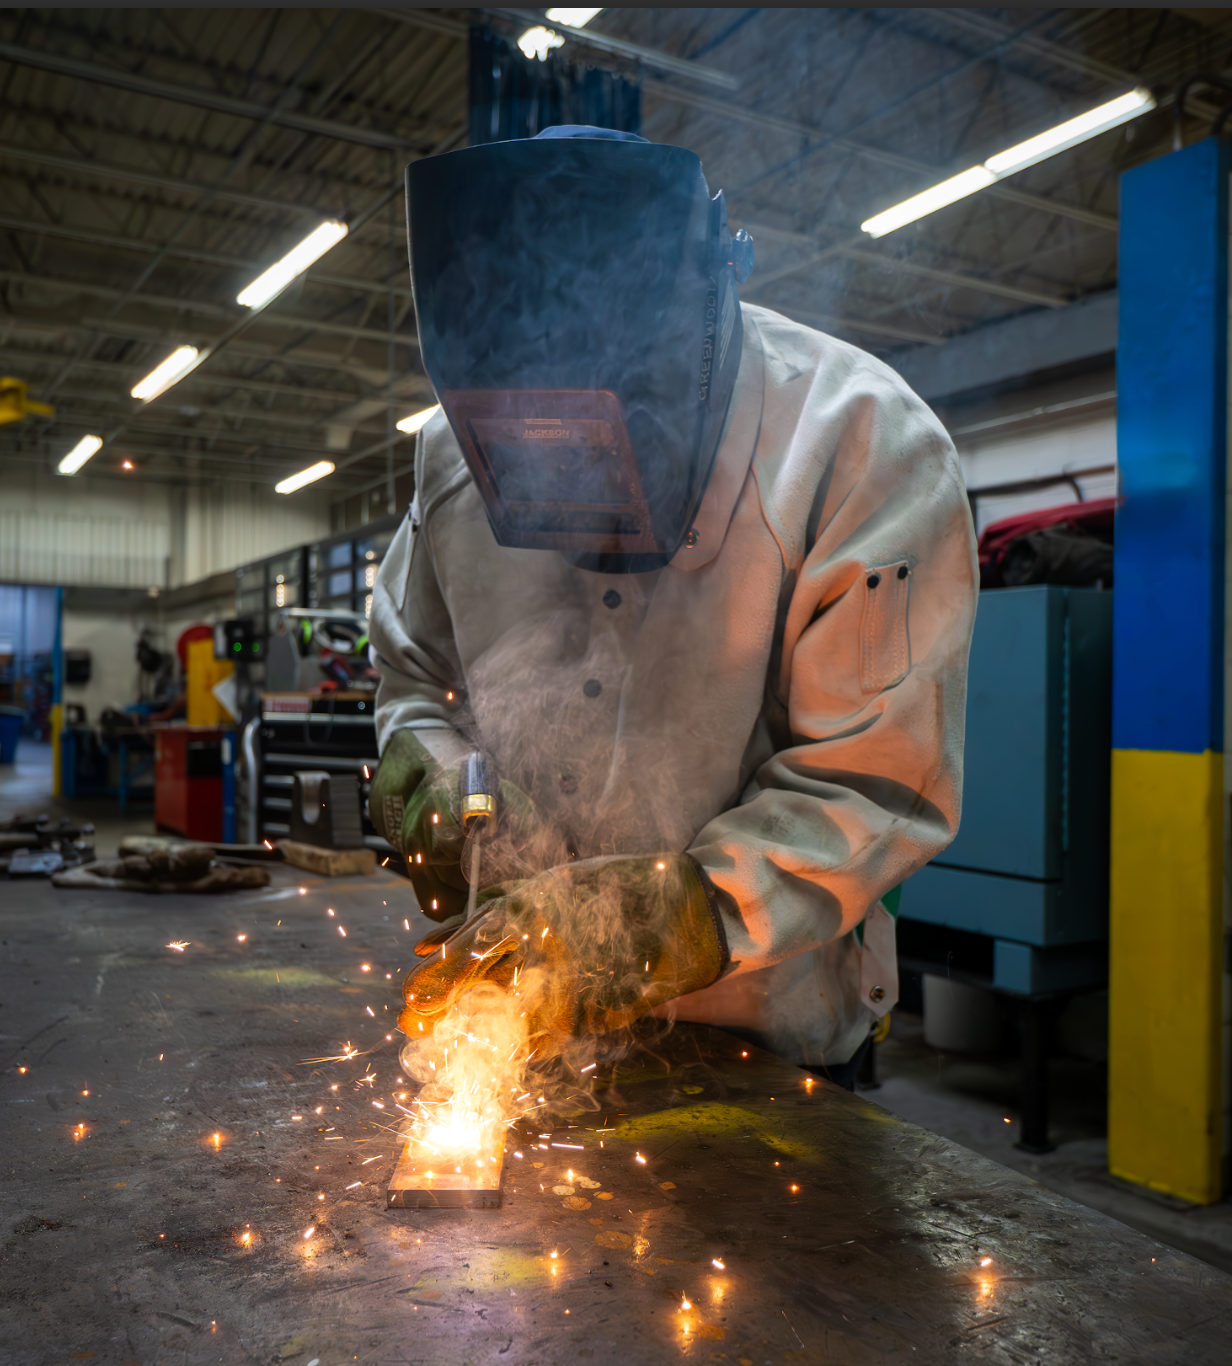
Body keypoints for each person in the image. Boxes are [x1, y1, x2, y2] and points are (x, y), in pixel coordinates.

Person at [368, 126, 976, 1083]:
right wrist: (452, 778)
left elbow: (870, 785)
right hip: (515, 1035)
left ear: (706, 316)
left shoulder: (861, 447)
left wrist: (676, 914)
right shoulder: (452, 456)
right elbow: (417, 680)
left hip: (765, 1050)